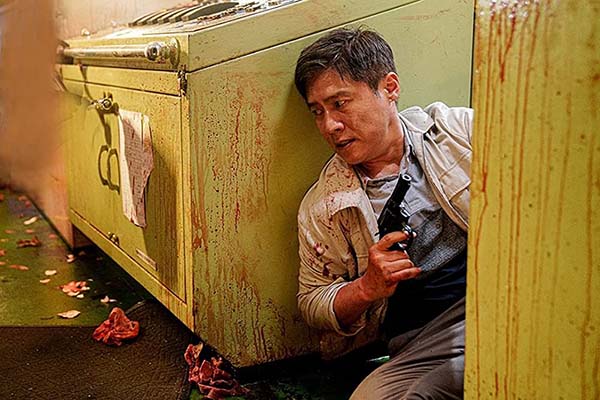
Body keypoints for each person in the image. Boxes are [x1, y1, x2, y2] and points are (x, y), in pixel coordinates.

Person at [294, 27, 472, 399]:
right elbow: (312, 303)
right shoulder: (323, 205)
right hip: (422, 341)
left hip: (498, 296)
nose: (330, 126)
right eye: (318, 112)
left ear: (389, 88)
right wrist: (366, 288)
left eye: (340, 103)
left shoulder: (456, 132)